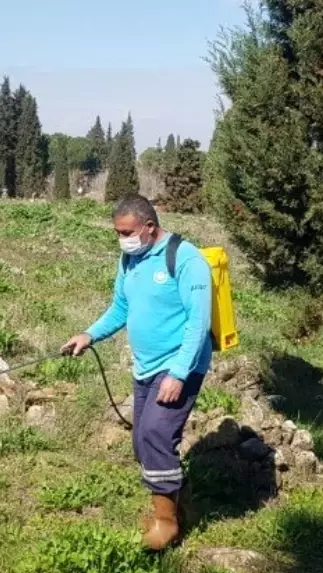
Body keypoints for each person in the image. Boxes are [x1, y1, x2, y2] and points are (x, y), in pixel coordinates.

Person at [61, 194, 212, 551]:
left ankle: (166, 524)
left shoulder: (187, 259)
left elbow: (198, 323)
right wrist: (88, 334)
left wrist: (178, 373)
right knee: (142, 444)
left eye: (127, 232)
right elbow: (120, 307)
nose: (122, 239)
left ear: (149, 226)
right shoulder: (130, 259)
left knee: (156, 434)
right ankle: (178, 507)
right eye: (117, 233)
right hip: (145, 366)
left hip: (179, 365)